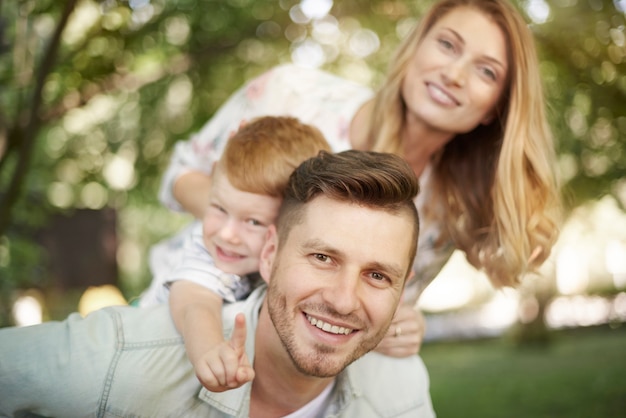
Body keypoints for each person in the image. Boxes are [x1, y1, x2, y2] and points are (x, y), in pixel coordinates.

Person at [155, 0, 562, 352]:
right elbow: (178, 175)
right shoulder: (291, 93)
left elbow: (377, 313)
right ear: (416, 46)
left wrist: (403, 326)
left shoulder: (444, 211)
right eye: (447, 44)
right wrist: (259, 228)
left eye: (486, 72)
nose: (454, 74)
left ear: (495, 108)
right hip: (183, 312)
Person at [0, 150, 435, 418]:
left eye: (378, 276)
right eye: (322, 258)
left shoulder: (402, 384)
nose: (344, 300)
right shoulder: (124, 359)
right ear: (269, 255)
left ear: (402, 287)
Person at [139, 115, 331, 392]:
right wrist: (209, 351)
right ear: (214, 176)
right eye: (218, 208)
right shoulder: (206, 251)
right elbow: (195, 301)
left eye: (253, 222)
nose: (227, 234)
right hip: (146, 357)